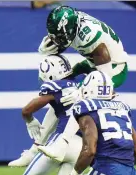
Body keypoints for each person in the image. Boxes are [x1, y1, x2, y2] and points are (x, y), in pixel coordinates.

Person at [37, 5, 129, 162]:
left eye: (59, 36)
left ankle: (61, 145)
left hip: (113, 69)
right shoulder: (72, 24)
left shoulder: (90, 37)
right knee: (60, 92)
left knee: (75, 100)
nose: (56, 40)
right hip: (94, 62)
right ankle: (36, 146)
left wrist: (84, 92)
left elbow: (104, 74)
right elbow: (64, 38)